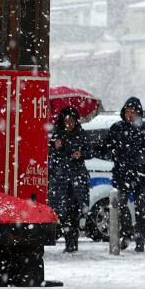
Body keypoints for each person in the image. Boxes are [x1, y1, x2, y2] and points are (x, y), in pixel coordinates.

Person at [107, 96, 145, 252]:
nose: (130, 114)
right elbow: (104, 147)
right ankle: (125, 234)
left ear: (139, 113)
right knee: (120, 207)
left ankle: (140, 240)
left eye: (133, 112)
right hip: (122, 175)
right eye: (127, 111)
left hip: (142, 176)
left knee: (141, 209)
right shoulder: (117, 129)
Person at [47, 107, 90, 253]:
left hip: (77, 178)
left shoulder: (81, 133)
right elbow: (47, 151)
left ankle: (73, 243)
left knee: (75, 211)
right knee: (61, 211)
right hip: (61, 179)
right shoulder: (56, 133)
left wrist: (81, 154)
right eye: (67, 120)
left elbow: (90, 150)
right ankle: (66, 239)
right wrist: (54, 146)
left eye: (72, 120)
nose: (69, 123)